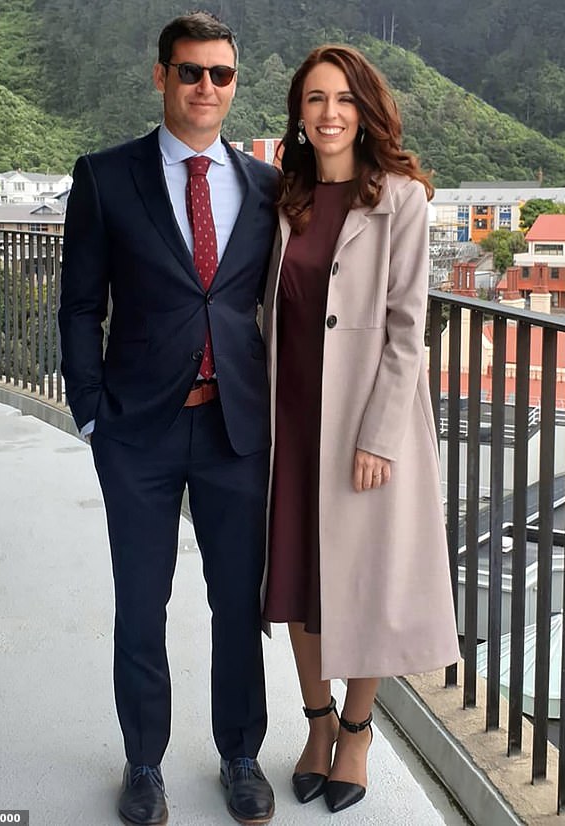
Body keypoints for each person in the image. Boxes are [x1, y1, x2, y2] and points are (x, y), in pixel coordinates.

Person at [58, 11, 279, 826]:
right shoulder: (107, 176)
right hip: (138, 433)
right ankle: (144, 764)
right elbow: (81, 304)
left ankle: (242, 755)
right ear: (161, 76)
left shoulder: (263, 183)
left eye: (221, 75)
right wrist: (90, 413)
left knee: (236, 605)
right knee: (141, 604)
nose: (206, 88)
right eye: (191, 72)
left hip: (234, 431)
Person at [261, 44, 460, 814]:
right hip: (293, 415)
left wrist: (379, 434)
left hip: (366, 421)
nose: (330, 112)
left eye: (343, 98)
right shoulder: (288, 197)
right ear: (300, 116)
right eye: (314, 99)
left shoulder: (402, 198)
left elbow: (410, 327)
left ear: (365, 109)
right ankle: (315, 725)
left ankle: (357, 731)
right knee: (299, 576)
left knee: (368, 578)